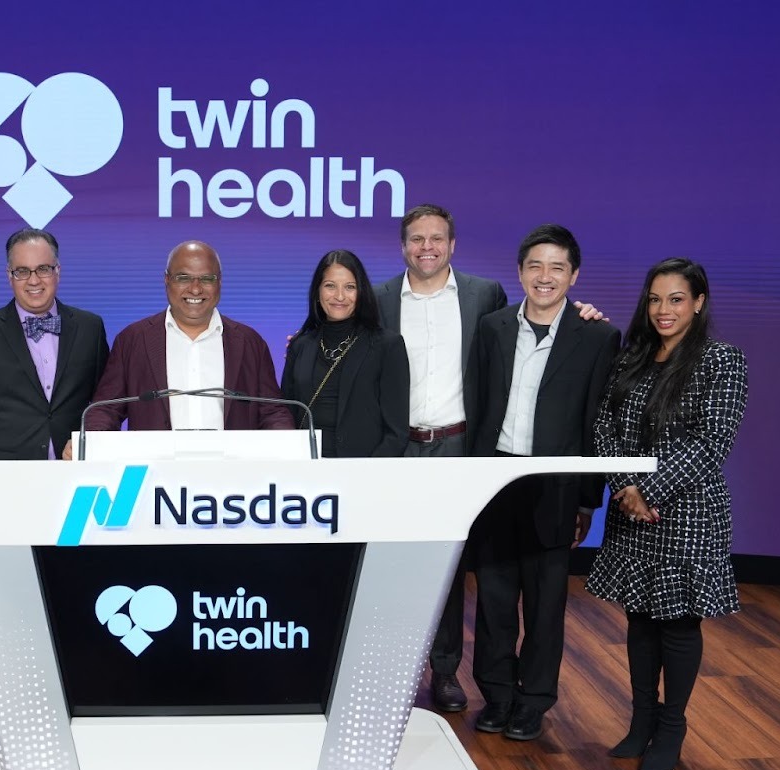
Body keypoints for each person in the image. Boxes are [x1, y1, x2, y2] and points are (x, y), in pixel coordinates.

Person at [373, 204, 602, 714]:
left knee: (451, 565)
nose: (427, 247)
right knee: (390, 562)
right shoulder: (378, 298)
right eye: (416, 238)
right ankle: (387, 670)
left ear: (453, 245)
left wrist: (581, 314)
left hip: (460, 448)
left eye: (437, 238)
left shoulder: (484, 295)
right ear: (403, 245)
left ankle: (445, 670)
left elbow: (540, 320)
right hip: (396, 448)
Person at [585, 257, 748, 770]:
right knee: (639, 618)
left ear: (698, 302)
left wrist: (648, 490)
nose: (664, 310)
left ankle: (672, 728)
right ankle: (641, 721)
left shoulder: (722, 361)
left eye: (676, 299)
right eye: (655, 299)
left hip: (688, 512)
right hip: (631, 509)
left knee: (677, 623)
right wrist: (624, 487)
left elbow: (711, 442)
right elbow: (603, 427)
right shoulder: (631, 358)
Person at [468, 225, 620, 742]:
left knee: (545, 602)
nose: (545, 276)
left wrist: (588, 501)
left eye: (557, 267)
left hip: (555, 485)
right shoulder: (492, 327)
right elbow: (478, 403)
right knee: (493, 598)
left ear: (574, 276)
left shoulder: (597, 336)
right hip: (495, 477)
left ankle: (533, 701)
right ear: (520, 272)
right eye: (535, 265)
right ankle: (497, 695)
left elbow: (595, 421)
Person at [81, 241, 293, 435]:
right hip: (155, 463)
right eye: (183, 278)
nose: (195, 289)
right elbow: (105, 409)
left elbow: (272, 412)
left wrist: (290, 444)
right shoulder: (133, 339)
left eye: (207, 279)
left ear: (220, 282)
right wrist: (88, 442)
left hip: (232, 463)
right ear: (166, 280)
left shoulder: (249, 342)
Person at [0, 229, 109, 459]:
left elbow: (105, 404)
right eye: (22, 271)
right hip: (7, 472)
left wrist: (93, 447)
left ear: (57, 271)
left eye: (43, 269)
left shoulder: (90, 328)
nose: (34, 280)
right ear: (9, 275)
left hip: (76, 467)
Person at [280, 250, 408, 457]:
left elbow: (397, 432)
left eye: (350, 287)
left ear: (361, 293)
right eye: (330, 286)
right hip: (306, 467)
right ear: (317, 291)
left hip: (364, 468)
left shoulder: (387, 345)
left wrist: (369, 470)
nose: (339, 296)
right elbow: (286, 413)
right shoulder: (300, 345)